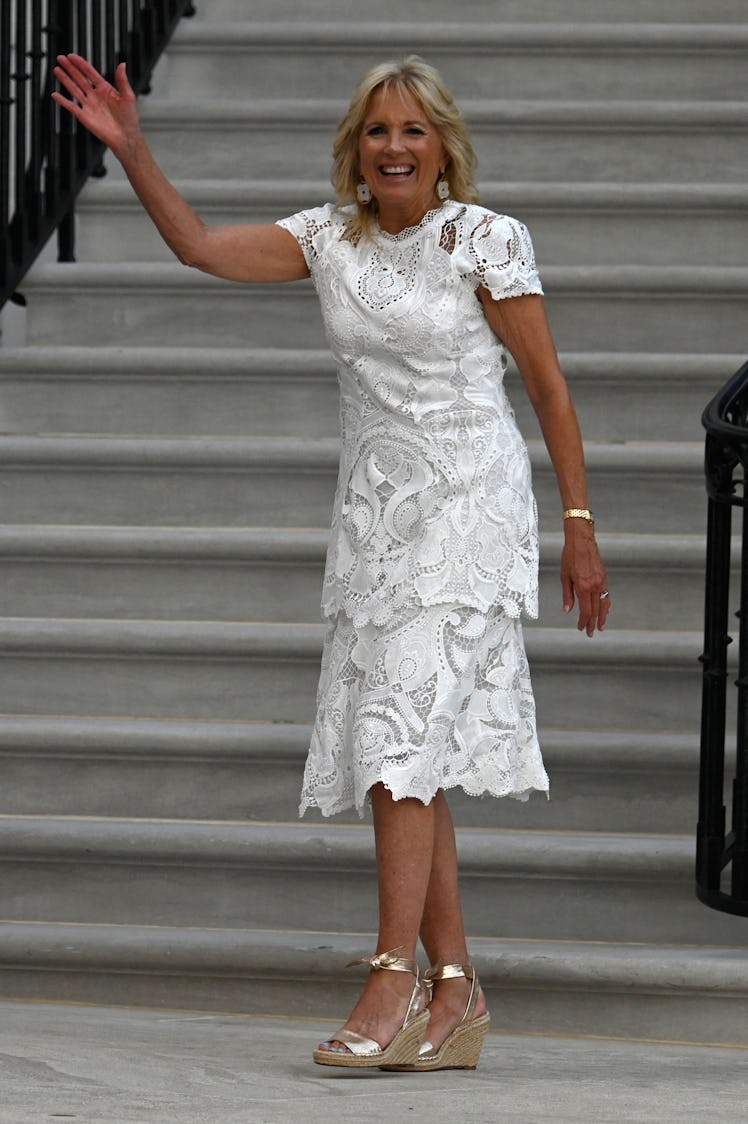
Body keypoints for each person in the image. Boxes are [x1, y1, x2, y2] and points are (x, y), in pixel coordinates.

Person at [53, 52, 610, 1072]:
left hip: (467, 512)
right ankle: (458, 992)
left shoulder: (483, 237)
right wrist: (133, 149)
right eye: (374, 130)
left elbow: (548, 387)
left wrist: (577, 523)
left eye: (411, 129)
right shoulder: (326, 238)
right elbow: (197, 246)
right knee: (402, 747)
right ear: (355, 147)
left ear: (443, 145)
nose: (393, 146)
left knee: (398, 737)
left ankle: (391, 975)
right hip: (374, 521)